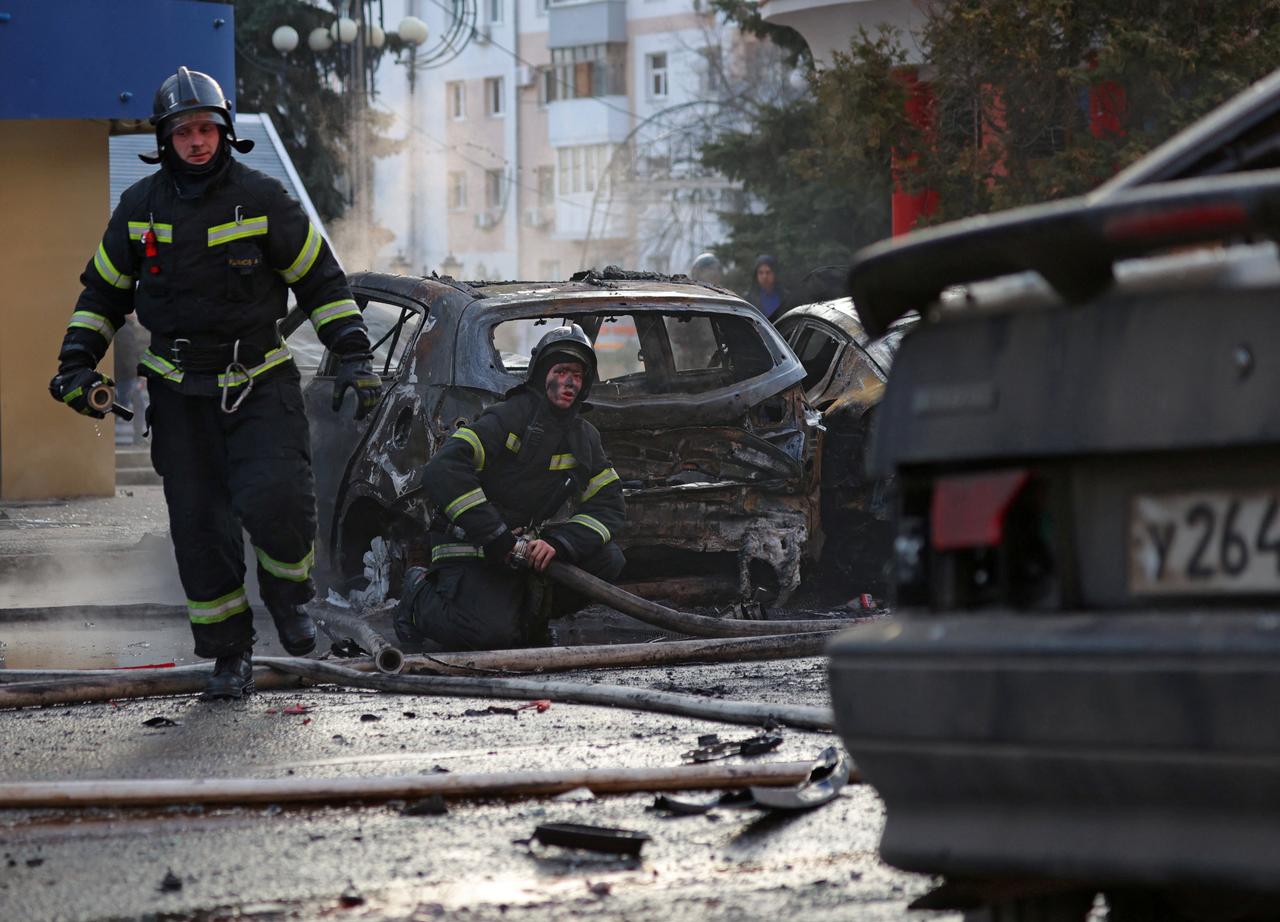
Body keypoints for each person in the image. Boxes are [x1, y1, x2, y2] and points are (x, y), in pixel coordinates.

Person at [48, 67, 382, 699]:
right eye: (184, 131)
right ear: (164, 139)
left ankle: (289, 603)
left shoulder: (262, 199)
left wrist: (355, 356)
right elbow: (102, 296)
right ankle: (230, 655)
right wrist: (74, 364)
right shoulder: (139, 208)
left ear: (224, 133)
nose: (197, 141)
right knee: (200, 530)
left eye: (206, 128)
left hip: (259, 383)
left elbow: (321, 283)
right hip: (178, 394)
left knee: (277, 504)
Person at [394, 324, 626, 651]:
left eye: (578, 374)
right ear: (540, 375)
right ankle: (416, 597)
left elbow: (610, 504)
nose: (570, 382)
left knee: (608, 559)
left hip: (521, 552)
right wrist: (496, 536)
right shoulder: (507, 418)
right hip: (471, 546)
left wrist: (560, 542)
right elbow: (443, 469)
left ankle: (527, 621)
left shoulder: (584, 437)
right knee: (489, 636)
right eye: (560, 371)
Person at [747, 254, 790, 321]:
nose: (764, 276)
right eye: (761, 273)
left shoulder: (785, 297)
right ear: (756, 275)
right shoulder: (749, 299)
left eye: (768, 272)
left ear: (775, 273)